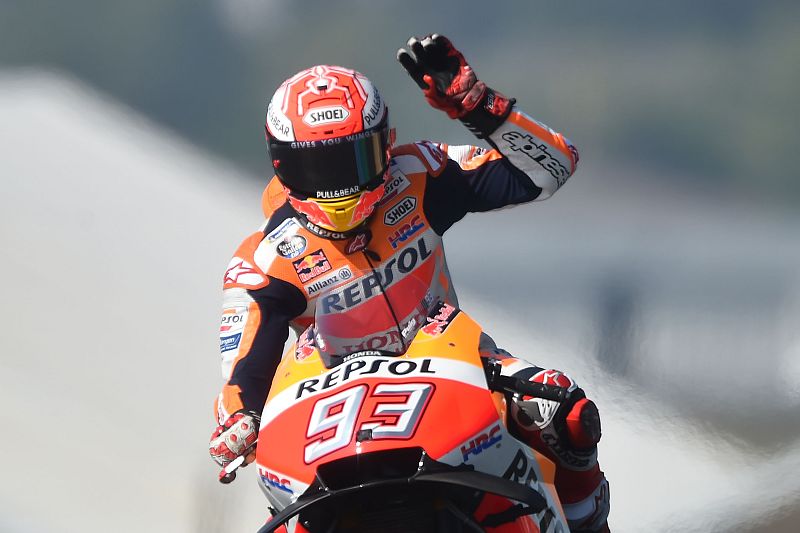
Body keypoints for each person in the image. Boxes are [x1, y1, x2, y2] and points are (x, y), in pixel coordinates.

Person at [209, 34, 610, 531]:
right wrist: (238, 421)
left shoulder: (420, 174)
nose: (339, 184)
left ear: (385, 143)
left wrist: (479, 106)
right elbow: (242, 373)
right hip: (333, 401)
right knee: (282, 502)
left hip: (458, 363)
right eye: (316, 166)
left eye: (354, 159)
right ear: (281, 164)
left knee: (565, 412)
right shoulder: (264, 258)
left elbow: (553, 167)